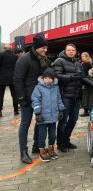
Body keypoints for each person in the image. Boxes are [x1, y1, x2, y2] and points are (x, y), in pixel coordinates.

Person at [14, 33, 51, 164]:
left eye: (46, 48)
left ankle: (37, 146)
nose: (45, 50)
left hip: (41, 97)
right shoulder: (24, 59)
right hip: (28, 98)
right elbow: (18, 80)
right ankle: (23, 152)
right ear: (36, 47)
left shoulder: (45, 59)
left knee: (40, 121)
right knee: (25, 123)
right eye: (43, 48)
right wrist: (21, 97)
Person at [53, 44, 93, 152]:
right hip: (65, 96)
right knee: (63, 121)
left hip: (76, 96)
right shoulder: (59, 61)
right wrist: (71, 78)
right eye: (69, 50)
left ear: (75, 51)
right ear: (65, 51)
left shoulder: (77, 63)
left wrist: (92, 84)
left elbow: (81, 77)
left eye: (73, 50)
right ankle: (60, 143)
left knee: (73, 120)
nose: (71, 51)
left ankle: (66, 140)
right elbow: (57, 76)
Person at [31, 68, 65, 162]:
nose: (48, 80)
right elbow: (35, 100)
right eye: (46, 78)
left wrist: (61, 110)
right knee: (42, 134)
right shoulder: (38, 87)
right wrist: (37, 113)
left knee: (52, 134)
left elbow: (58, 99)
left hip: (53, 116)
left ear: (53, 79)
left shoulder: (56, 87)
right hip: (42, 117)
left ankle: (50, 149)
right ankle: (42, 151)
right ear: (43, 78)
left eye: (50, 78)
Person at [0, 44, 19, 117]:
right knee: (14, 95)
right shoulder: (15, 56)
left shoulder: (1, 55)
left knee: (1, 95)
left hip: (2, 77)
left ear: (4, 49)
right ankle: (16, 110)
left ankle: (0, 111)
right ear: (10, 49)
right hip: (13, 77)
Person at [80, 52, 93, 117]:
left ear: (87, 57)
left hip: (86, 82)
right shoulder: (84, 63)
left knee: (85, 97)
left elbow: (84, 74)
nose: (82, 57)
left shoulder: (87, 64)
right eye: (82, 56)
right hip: (86, 81)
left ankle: (86, 111)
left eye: (84, 56)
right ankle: (86, 111)